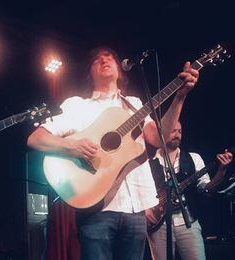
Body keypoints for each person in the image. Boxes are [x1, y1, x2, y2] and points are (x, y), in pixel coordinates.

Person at [27, 47, 199, 260]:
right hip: (96, 207)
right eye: (97, 59)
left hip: (135, 209)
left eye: (109, 57)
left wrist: (179, 98)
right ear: (90, 73)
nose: (104, 60)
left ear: (120, 70)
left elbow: (159, 137)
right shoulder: (77, 106)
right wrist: (72, 146)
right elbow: (36, 138)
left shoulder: (134, 104)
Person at [146, 121, 233, 260]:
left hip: (189, 222)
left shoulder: (193, 158)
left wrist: (221, 171)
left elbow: (207, 189)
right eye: (173, 131)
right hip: (158, 226)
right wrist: (146, 210)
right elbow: (140, 191)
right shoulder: (148, 162)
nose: (177, 135)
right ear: (162, 133)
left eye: (180, 131)